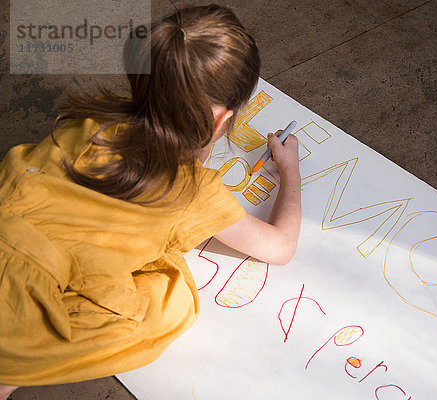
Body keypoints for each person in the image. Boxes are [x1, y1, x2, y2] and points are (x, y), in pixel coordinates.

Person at [0, 5, 301, 399]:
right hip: (15, 331)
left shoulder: (87, 122)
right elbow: (280, 247)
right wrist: (290, 171)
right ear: (220, 121)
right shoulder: (191, 192)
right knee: (175, 300)